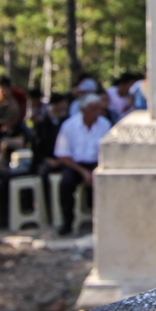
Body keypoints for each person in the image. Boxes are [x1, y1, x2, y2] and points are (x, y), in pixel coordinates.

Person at [54, 93, 110, 235]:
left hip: (97, 163)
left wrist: (95, 169)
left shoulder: (105, 124)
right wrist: (83, 172)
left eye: (98, 109)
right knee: (66, 183)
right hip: (75, 165)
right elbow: (63, 155)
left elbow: (108, 152)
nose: (97, 113)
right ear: (83, 110)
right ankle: (67, 222)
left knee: (105, 182)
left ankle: (102, 223)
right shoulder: (69, 125)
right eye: (93, 109)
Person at [32, 93, 70, 218]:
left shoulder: (67, 121)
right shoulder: (41, 123)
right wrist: (47, 160)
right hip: (46, 160)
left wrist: (62, 160)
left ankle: (65, 211)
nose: (66, 105)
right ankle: (47, 210)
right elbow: (36, 147)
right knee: (43, 174)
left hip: (64, 160)